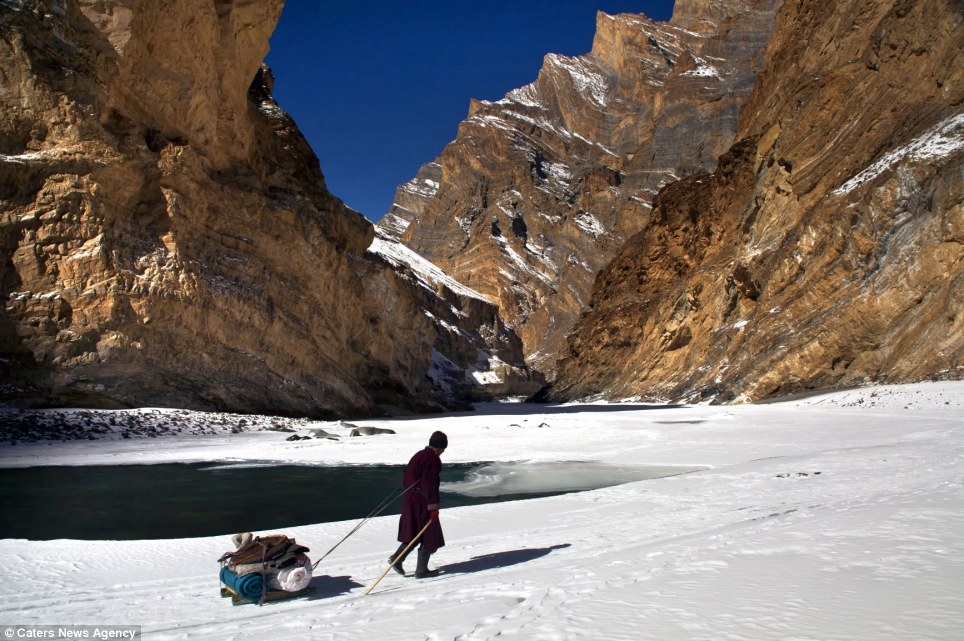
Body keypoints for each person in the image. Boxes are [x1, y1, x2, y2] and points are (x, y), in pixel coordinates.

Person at [388, 431, 447, 578]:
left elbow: (407, 475)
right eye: (443, 449)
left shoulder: (419, 455)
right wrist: (433, 507)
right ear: (440, 447)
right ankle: (421, 570)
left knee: (414, 532)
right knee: (429, 533)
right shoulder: (432, 459)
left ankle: (397, 559)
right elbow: (430, 484)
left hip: (410, 499)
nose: (443, 452)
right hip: (422, 502)